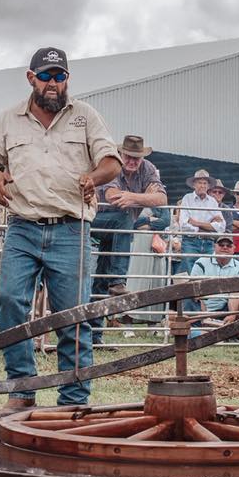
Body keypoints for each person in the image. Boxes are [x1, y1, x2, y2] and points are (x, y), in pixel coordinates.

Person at [0, 46, 121, 409]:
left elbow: (111, 161)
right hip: (23, 226)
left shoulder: (85, 116)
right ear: (31, 78)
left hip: (71, 229)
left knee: (72, 314)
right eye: (46, 76)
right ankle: (22, 389)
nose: (53, 83)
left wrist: (94, 177)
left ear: (67, 79)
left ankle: (73, 399)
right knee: (9, 302)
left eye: (60, 76)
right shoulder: (7, 119)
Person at [90, 135, 166, 342]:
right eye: (129, 157)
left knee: (100, 279)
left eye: (137, 158)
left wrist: (131, 197)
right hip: (96, 219)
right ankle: (118, 281)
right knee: (123, 216)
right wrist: (143, 198)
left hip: (118, 228)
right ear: (122, 154)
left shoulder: (148, 168)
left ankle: (94, 337)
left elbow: (161, 199)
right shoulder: (113, 164)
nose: (132, 161)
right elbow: (112, 196)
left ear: (142, 158)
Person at [187, 235, 239, 325]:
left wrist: (232, 315)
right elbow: (195, 291)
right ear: (215, 247)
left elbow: (235, 294)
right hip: (200, 306)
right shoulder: (201, 262)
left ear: (234, 248)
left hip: (224, 307)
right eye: (221, 245)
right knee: (188, 298)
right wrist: (204, 315)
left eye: (229, 245)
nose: (225, 247)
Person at [176, 169, 224, 274]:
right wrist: (208, 226)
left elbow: (221, 226)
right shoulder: (187, 198)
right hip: (191, 242)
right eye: (199, 183)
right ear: (194, 184)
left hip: (208, 242)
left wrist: (196, 223)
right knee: (190, 273)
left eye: (205, 183)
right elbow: (183, 225)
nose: (202, 186)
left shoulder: (212, 201)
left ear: (208, 186)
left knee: (208, 273)